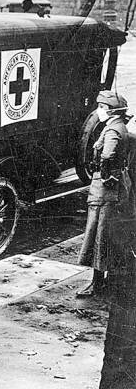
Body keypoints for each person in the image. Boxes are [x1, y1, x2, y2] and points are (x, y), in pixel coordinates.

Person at [77, 91, 130, 298]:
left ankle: (97, 284)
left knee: (99, 235)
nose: (98, 111)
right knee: (107, 235)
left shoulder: (112, 131)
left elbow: (107, 155)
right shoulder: (119, 127)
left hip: (105, 192)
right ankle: (104, 280)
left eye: (101, 107)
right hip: (115, 190)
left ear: (110, 111)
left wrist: (105, 175)